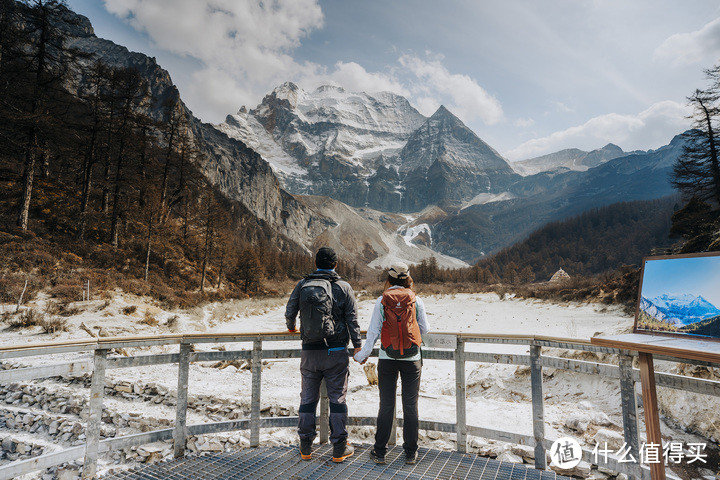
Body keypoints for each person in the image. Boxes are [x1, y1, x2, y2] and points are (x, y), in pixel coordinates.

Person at [285, 246, 362, 462]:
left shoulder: (303, 285)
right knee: (337, 398)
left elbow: (290, 312)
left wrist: (292, 327)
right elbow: (352, 320)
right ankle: (339, 447)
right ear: (336, 264)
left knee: (308, 398)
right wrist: (357, 345)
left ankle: (305, 447)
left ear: (316, 263)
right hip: (336, 351)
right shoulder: (344, 287)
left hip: (310, 352)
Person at [354, 262, 429, 465]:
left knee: (386, 405)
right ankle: (410, 453)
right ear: (407, 279)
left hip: (387, 358)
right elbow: (425, 329)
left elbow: (373, 332)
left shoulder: (381, 300)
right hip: (412, 359)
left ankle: (380, 451)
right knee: (410, 405)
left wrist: (362, 355)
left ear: (389, 279)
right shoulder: (416, 300)